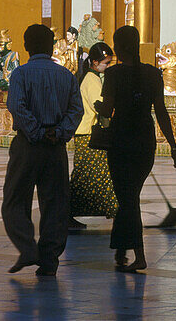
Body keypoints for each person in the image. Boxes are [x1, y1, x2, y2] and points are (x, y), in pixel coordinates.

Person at [98, 25, 176, 272]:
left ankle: (138, 254)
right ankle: (122, 251)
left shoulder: (113, 75)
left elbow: (107, 109)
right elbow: (162, 113)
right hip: (145, 141)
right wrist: (174, 146)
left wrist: (94, 106)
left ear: (119, 47)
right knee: (128, 196)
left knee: (127, 199)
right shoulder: (153, 74)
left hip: (121, 140)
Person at [2, 24, 83, 277]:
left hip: (28, 144)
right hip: (55, 147)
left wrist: (36, 132)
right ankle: (49, 258)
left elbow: (17, 106)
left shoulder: (20, 74)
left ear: (26, 46)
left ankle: (27, 247)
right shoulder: (66, 76)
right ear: (51, 48)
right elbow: (76, 110)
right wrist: (57, 132)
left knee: (15, 200)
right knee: (56, 203)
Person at [69, 42, 117, 225]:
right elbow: (100, 106)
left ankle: (113, 209)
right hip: (88, 134)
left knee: (97, 174)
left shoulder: (95, 77)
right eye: (106, 63)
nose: (108, 66)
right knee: (85, 176)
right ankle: (68, 211)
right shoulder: (91, 79)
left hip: (88, 133)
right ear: (95, 62)